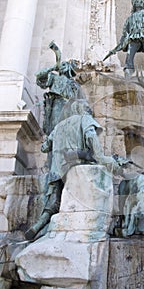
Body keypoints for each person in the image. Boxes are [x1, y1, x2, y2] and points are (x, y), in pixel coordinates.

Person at [25, 99, 123, 240]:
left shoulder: (59, 126)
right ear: (81, 109)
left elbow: (44, 147)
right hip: (77, 164)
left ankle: (38, 226)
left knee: (54, 201)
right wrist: (100, 156)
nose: (89, 110)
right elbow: (90, 136)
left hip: (57, 170)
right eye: (87, 108)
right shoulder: (85, 119)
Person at [104, 0, 144, 78]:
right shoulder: (130, 18)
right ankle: (129, 68)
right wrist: (119, 46)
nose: (139, 3)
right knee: (130, 53)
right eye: (137, 1)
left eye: (141, 1)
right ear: (134, 4)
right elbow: (125, 32)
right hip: (133, 37)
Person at [36, 41, 84, 135]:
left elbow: (80, 101)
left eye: (64, 65)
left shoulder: (75, 84)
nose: (61, 67)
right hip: (57, 104)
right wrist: (53, 68)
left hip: (70, 108)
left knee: (68, 133)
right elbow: (38, 76)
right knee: (55, 129)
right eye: (61, 65)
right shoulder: (54, 77)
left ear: (69, 69)